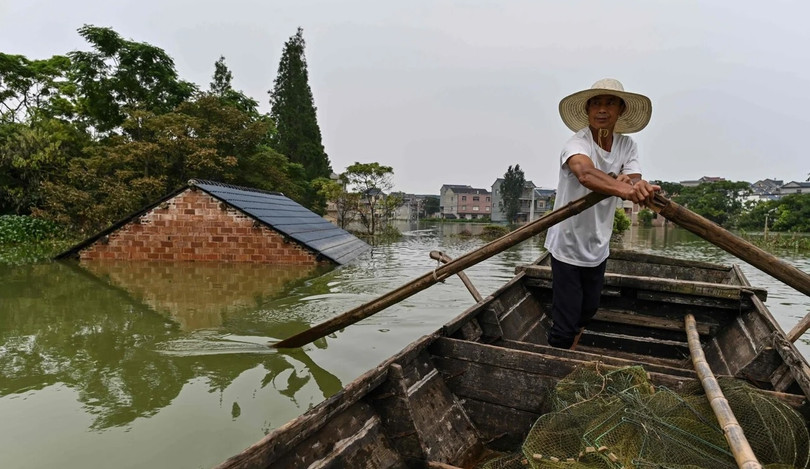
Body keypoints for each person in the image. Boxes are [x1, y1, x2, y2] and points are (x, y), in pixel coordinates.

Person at [544, 78, 660, 349]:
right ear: (587, 110)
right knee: (565, 322)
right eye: (596, 103)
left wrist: (635, 186)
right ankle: (555, 366)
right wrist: (626, 188)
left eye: (610, 103)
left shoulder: (626, 145)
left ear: (620, 110)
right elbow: (585, 173)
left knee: (588, 311)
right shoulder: (577, 143)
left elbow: (632, 178)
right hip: (567, 245)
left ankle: (569, 352)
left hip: (598, 244)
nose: (602, 109)